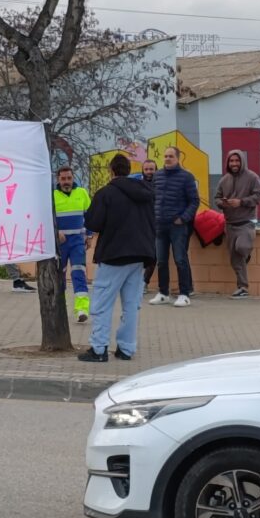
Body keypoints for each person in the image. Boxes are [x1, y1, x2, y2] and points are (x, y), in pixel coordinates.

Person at [77, 153, 155, 362]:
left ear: (111, 171)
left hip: (113, 255)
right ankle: (127, 349)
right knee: (131, 306)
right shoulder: (146, 193)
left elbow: (93, 223)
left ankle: (99, 349)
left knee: (102, 304)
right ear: (129, 170)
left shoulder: (106, 194)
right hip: (139, 256)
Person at [149, 147, 199, 308]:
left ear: (177, 158)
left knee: (180, 259)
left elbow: (194, 201)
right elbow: (153, 198)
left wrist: (183, 218)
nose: (167, 159)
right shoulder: (157, 176)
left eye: (170, 156)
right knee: (161, 261)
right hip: (160, 225)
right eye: (165, 156)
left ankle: (184, 294)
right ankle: (163, 293)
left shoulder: (186, 177)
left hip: (177, 226)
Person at [214, 150, 260, 300]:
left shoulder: (252, 177)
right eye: (231, 161)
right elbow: (216, 198)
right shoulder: (224, 180)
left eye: (237, 161)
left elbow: (259, 196)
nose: (234, 164)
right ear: (228, 163)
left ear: (242, 161)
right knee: (234, 258)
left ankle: (247, 254)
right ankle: (242, 287)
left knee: (242, 247)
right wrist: (222, 203)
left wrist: (241, 202)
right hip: (230, 223)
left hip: (247, 222)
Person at [53, 166, 92, 323]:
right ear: (58, 179)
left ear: (73, 178)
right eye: (63, 179)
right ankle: (59, 310)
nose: (66, 182)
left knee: (78, 274)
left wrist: (89, 235)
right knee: (58, 277)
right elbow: (47, 218)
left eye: (69, 178)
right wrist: (55, 232)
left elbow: (89, 216)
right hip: (59, 243)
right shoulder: (52, 196)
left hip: (77, 241)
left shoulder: (82, 193)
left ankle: (82, 309)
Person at [131, 159, 158, 291]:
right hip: (140, 224)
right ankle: (134, 282)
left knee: (153, 255)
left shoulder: (160, 184)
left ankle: (144, 283)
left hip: (157, 224)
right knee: (138, 255)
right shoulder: (137, 184)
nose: (149, 172)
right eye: (146, 169)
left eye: (151, 169)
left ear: (156, 170)